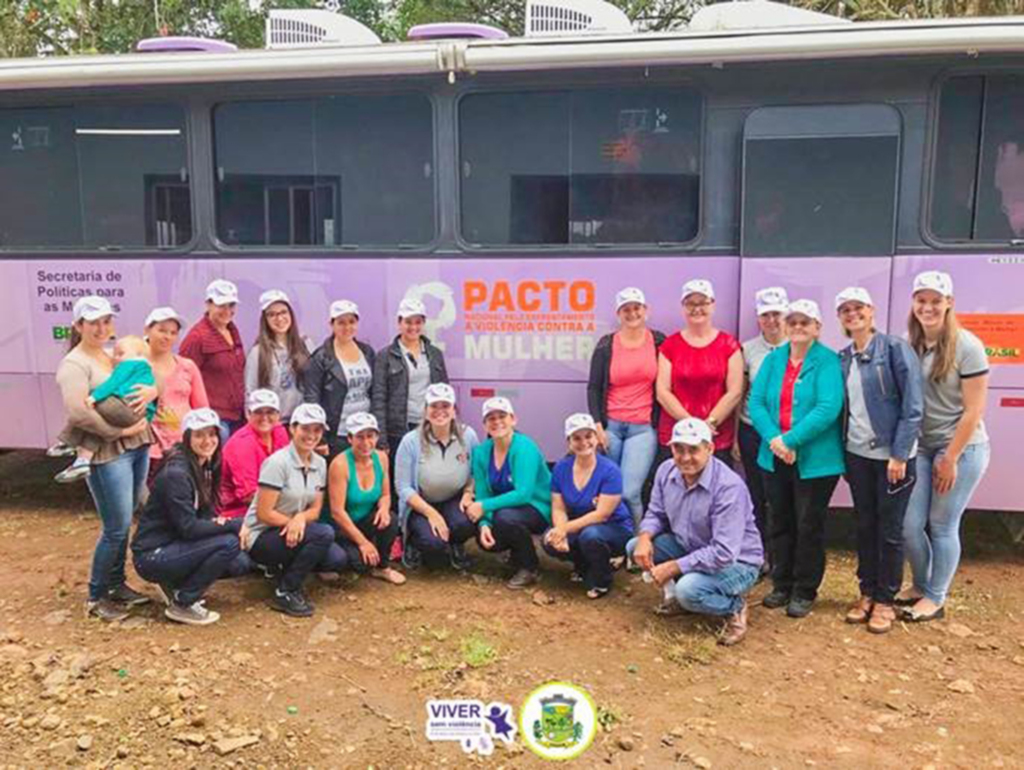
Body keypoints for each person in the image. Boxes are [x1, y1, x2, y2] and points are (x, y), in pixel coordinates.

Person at [55, 296, 156, 621]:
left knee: (125, 521)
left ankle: (117, 584)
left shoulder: (109, 354)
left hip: (137, 446)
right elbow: (79, 412)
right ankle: (97, 596)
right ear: (78, 326)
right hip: (107, 453)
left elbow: (144, 376)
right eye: (93, 322)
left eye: (105, 321)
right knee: (115, 527)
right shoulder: (74, 364)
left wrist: (153, 392)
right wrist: (119, 434)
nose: (101, 328)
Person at [899, 271, 990, 623]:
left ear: (949, 303)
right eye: (921, 300)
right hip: (922, 447)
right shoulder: (912, 344)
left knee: (941, 524)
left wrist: (950, 458)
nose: (928, 307)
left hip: (962, 448)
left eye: (936, 300)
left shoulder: (968, 346)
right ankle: (920, 584)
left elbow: (974, 411)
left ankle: (935, 598)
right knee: (909, 524)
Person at [627, 418, 764, 647]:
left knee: (688, 590)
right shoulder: (666, 470)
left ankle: (734, 607)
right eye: (678, 449)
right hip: (692, 546)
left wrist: (673, 567)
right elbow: (656, 512)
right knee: (634, 548)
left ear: (709, 449)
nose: (685, 457)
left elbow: (723, 553)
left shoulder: (729, 487)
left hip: (738, 563)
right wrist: (644, 537)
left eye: (693, 449)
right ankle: (680, 597)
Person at [835, 287, 924, 634]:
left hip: (893, 459)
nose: (852, 314)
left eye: (858, 307)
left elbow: (913, 407)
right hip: (858, 457)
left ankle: (886, 600)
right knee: (864, 525)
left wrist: (900, 453)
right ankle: (867, 592)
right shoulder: (843, 358)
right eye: (845, 310)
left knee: (890, 530)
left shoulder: (895, 349)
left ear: (871, 311)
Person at [749, 299, 845, 619]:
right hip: (774, 454)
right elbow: (758, 402)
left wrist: (790, 440)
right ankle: (781, 583)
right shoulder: (774, 360)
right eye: (794, 322)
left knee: (808, 524)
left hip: (815, 460)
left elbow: (827, 408)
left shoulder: (828, 361)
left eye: (806, 322)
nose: (799, 327)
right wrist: (776, 441)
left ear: (817, 328)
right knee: (779, 521)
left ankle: (804, 589)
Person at [131, 408, 243, 625]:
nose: (207, 440)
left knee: (239, 563)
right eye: (199, 435)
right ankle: (183, 602)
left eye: (212, 434)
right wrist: (232, 525)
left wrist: (219, 523)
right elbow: (189, 528)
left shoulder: (204, 466)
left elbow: (203, 515)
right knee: (229, 543)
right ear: (187, 437)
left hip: (172, 544)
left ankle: (174, 584)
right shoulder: (177, 474)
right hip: (152, 554)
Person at [243, 403, 347, 617]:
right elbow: (264, 513)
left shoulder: (319, 462)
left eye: (317, 430)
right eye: (305, 429)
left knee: (335, 559)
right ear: (292, 428)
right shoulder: (277, 463)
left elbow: (316, 508)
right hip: (263, 534)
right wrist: (292, 523)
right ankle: (286, 590)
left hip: (294, 529)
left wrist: (300, 518)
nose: (311, 435)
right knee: (324, 533)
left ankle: (283, 571)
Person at [587, 287, 665, 526]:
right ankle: (614, 541)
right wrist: (598, 427)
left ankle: (636, 545)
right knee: (609, 490)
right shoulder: (606, 344)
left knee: (630, 492)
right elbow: (594, 388)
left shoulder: (660, 341)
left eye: (636, 308)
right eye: (626, 309)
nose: (632, 314)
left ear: (645, 311)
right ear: (618, 314)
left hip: (642, 428)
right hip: (611, 427)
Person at [543, 413, 634, 599]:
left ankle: (602, 580)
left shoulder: (610, 470)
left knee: (590, 536)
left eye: (588, 436)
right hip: (580, 526)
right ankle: (583, 566)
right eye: (576, 438)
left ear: (596, 438)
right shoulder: (561, 468)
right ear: (569, 441)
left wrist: (564, 529)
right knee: (548, 539)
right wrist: (559, 531)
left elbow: (601, 515)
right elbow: (558, 507)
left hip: (614, 528)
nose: (583, 442)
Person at [466, 397, 552, 590]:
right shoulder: (481, 453)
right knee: (485, 538)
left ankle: (529, 567)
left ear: (513, 419)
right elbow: (482, 493)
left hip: (539, 507)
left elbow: (524, 494)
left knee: (505, 517)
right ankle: (516, 552)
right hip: (505, 508)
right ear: (485, 425)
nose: (497, 422)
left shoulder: (524, 447)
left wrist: (484, 507)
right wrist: (484, 524)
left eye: (502, 416)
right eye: (491, 418)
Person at [657, 279, 744, 467]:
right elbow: (662, 392)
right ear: (683, 307)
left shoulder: (729, 345)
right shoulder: (669, 346)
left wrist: (707, 425)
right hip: (676, 437)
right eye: (690, 303)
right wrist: (691, 426)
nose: (697, 309)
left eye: (702, 303)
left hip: (715, 438)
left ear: (712, 305)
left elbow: (735, 391)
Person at [395, 383, 479, 571]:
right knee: (433, 545)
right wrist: (431, 513)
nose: (440, 411)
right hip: (420, 504)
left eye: (445, 406)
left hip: (453, 500)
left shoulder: (469, 436)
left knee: (468, 522)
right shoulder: (410, 441)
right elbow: (403, 487)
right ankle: (413, 543)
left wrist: (468, 493)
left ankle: (456, 544)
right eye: (434, 406)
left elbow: (476, 471)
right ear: (425, 411)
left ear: (454, 411)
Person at [54, 334, 157, 483]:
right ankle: (82, 461)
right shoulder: (145, 368)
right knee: (96, 421)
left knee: (84, 408)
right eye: (116, 354)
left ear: (138, 355)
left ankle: (68, 441)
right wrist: (147, 417)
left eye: (121, 354)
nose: (116, 358)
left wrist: (94, 397)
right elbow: (153, 393)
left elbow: (113, 383)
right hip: (138, 414)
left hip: (124, 406)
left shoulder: (129, 364)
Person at [735, 287, 789, 567]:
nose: (771, 320)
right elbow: (740, 393)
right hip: (751, 432)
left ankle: (782, 556)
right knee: (757, 494)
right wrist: (733, 437)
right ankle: (761, 555)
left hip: (786, 436)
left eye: (777, 314)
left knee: (782, 496)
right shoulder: (748, 349)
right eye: (765, 315)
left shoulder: (799, 346)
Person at [325, 412, 406, 584]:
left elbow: (385, 494)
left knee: (390, 518)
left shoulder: (381, 458)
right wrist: (362, 543)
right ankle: (329, 561)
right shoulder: (340, 465)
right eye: (359, 437)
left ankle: (383, 567)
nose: (366, 443)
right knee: (359, 564)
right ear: (349, 438)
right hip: (341, 527)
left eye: (370, 436)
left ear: (377, 437)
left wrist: (383, 509)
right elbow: (337, 512)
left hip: (364, 521)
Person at [372, 297, 449, 456]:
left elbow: (446, 394)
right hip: (399, 431)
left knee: (428, 476)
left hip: (430, 426)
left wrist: (447, 428)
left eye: (418, 322)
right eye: (408, 322)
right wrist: (381, 439)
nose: (413, 327)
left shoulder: (435, 354)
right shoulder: (385, 356)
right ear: (399, 322)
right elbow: (378, 399)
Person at [302, 300, 376, 460]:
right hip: (338, 435)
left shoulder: (367, 352)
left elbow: (375, 392)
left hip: (365, 433)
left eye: (352, 322)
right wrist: (320, 438)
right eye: (341, 322)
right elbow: (311, 399)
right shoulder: (320, 358)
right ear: (331, 324)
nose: (347, 327)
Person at [179, 279, 246, 439]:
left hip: (238, 416)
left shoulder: (232, 330)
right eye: (221, 305)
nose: (227, 311)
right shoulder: (197, 337)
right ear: (208, 304)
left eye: (231, 305)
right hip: (213, 420)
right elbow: (182, 378)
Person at [144, 307, 209, 468]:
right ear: (148, 330)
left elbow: (202, 410)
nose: (167, 337)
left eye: (173, 333)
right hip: (148, 449)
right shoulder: (137, 366)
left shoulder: (187, 366)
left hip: (184, 448)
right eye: (162, 331)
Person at [219, 389, 290, 520]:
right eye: (258, 412)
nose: (264, 418)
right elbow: (249, 496)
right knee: (320, 533)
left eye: (270, 412)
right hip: (240, 513)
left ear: (278, 415)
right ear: (248, 414)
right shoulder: (242, 443)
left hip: (273, 505)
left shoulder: (280, 431)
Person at [245, 289, 311, 423]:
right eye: (272, 314)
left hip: (301, 425)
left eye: (283, 312)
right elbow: (250, 392)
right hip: (272, 425)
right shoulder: (257, 353)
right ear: (265, 320)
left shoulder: (306, 345)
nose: (279, 318)